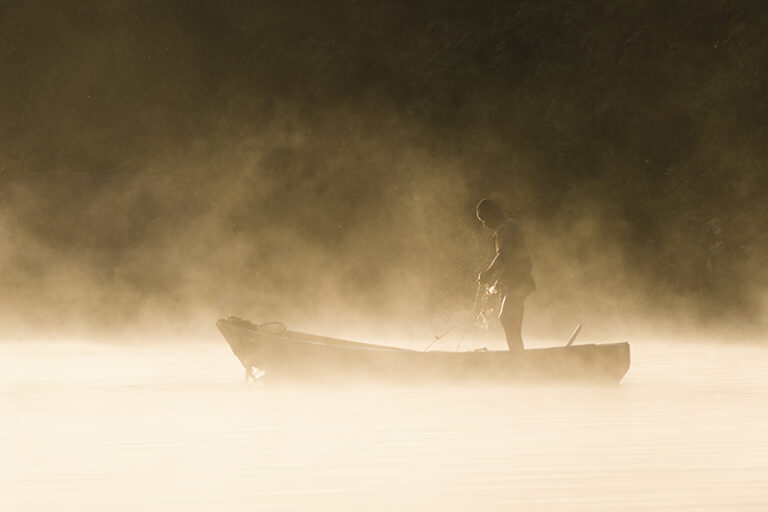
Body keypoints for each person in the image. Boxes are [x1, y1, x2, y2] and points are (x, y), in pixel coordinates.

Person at [475, 198, 535, 352]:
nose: (484, 223)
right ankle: (517, 355)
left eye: (484, 219)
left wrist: (488, 273)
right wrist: (495, 282)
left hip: (520, 280)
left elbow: (503, 255)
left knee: (507, 318)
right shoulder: (501, 230)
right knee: (510, 320)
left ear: (493, 213)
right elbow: (506, 261)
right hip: (511, 282)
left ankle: (517, 356)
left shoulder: (509, 226)